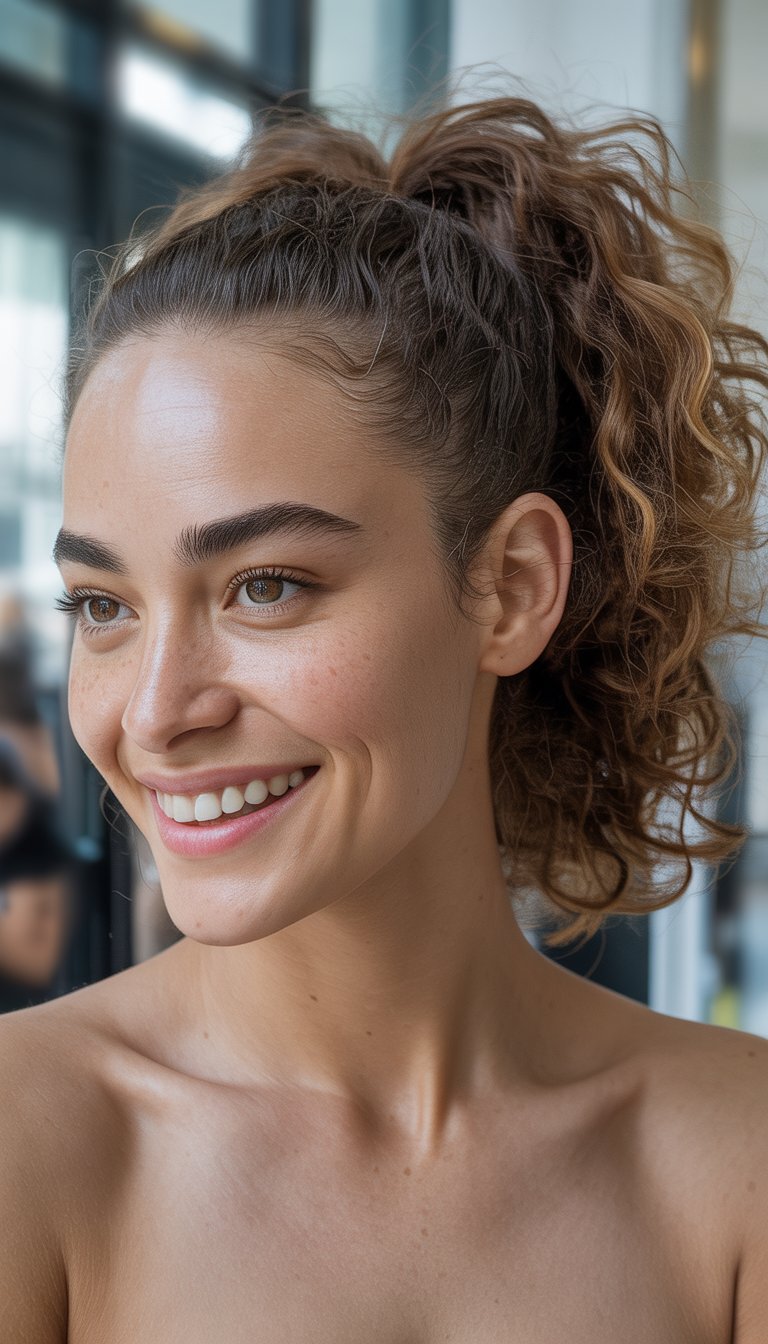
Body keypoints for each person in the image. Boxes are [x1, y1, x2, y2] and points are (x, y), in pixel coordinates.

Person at [2, 92, 767, 1341]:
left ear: (511, 585)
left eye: (265, 587)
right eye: (103, 605)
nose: (154, 714)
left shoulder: (739, 1166)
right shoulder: (28, 1153)